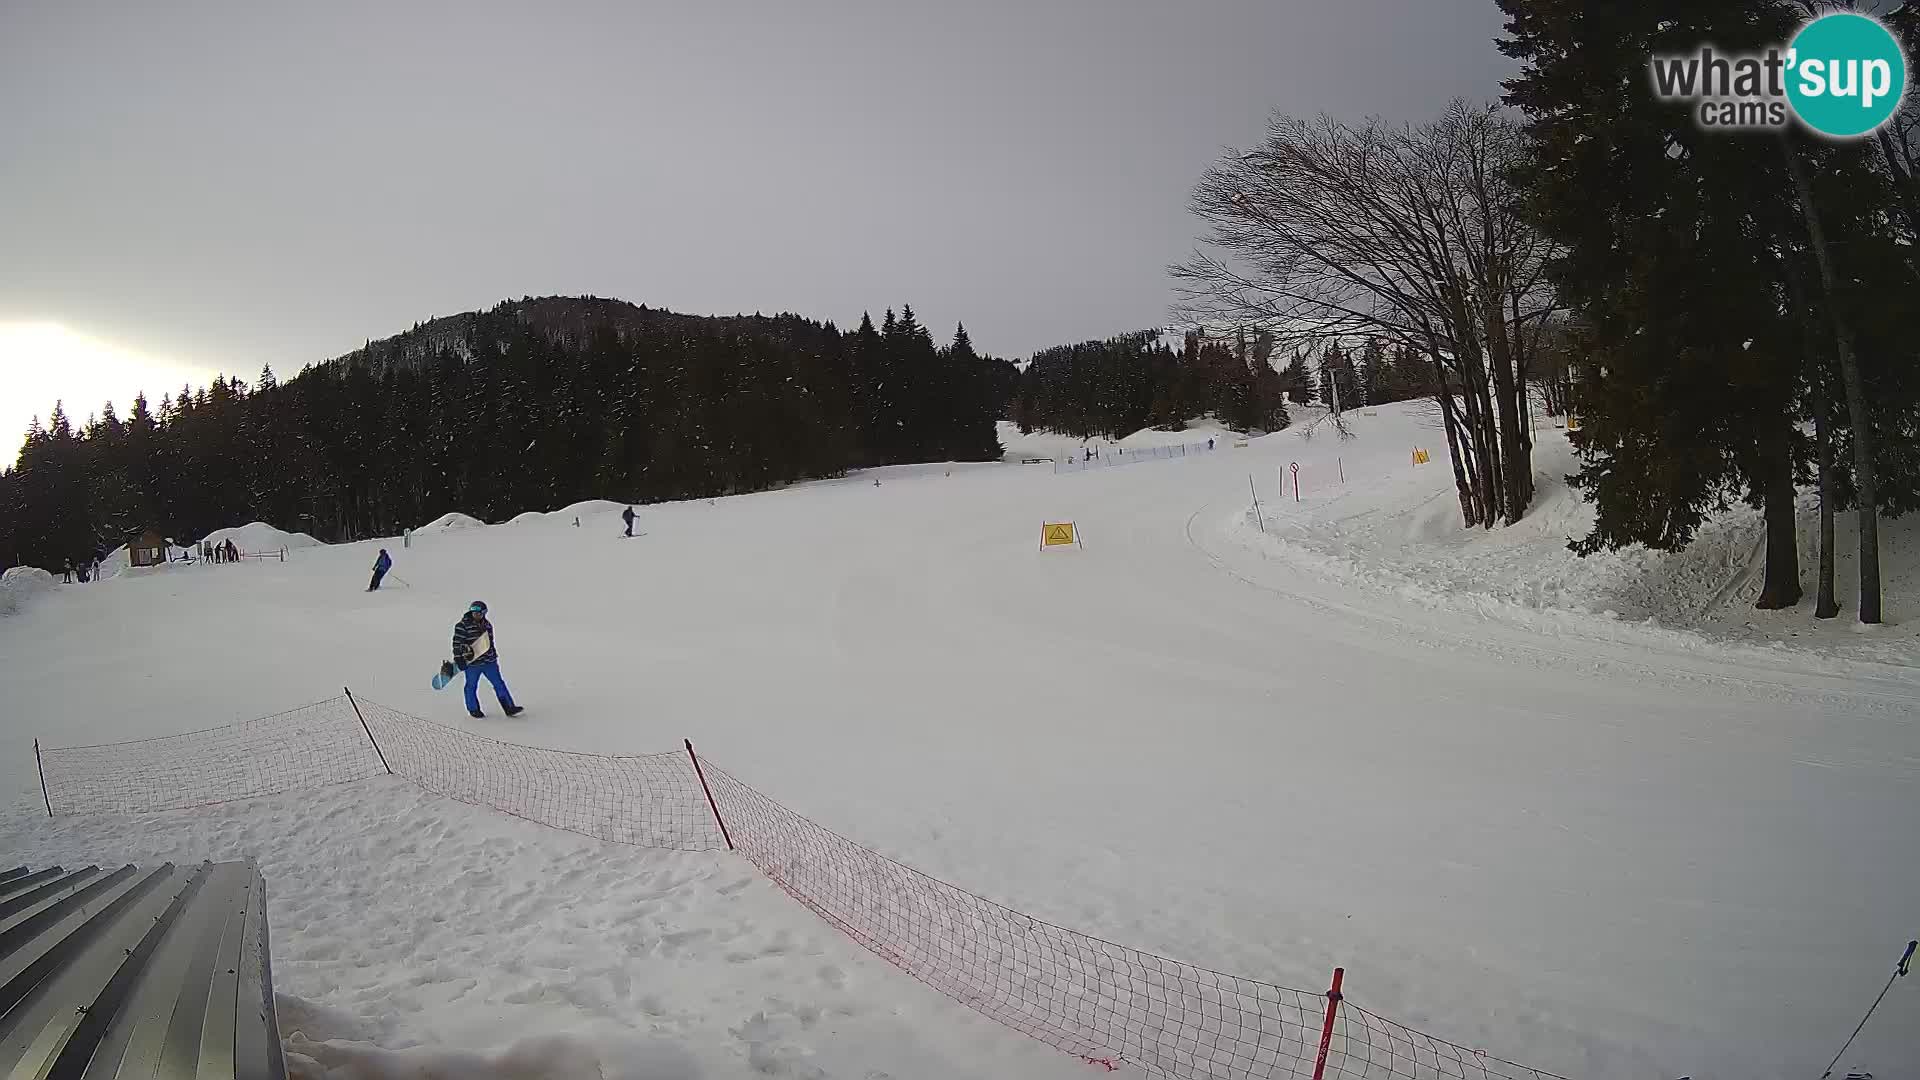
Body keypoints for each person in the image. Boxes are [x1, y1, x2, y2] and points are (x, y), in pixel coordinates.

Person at [451, 600, 521, 718]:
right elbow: (457, 643)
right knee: (471, 686)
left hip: (489, 662)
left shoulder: (487, 625)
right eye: (473, 612)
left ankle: (509, 707)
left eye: (479, 612)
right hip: (473, 664)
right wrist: (459, 659)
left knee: (499, 684)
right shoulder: (462, 626)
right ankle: (473, 709)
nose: (476, 614)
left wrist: (493, 656)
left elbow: (490, 643)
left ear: (484, 613)